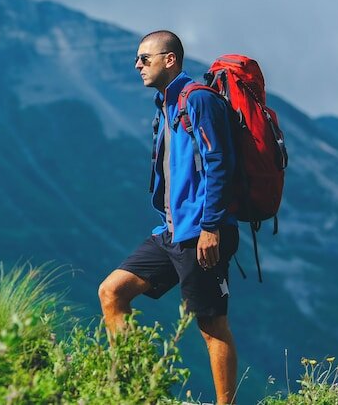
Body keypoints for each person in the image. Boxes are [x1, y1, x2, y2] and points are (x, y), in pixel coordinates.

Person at [98, 30, 240, 404]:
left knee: (211, 326)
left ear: (170, 59)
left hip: (202, 233)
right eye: (137, 59)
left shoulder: (198, 101)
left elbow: (219, 163)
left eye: (145, 58)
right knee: (112, 292)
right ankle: (137, 391)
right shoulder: (166, 104)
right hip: (171, 232)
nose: (137, 65)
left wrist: (211, 227)